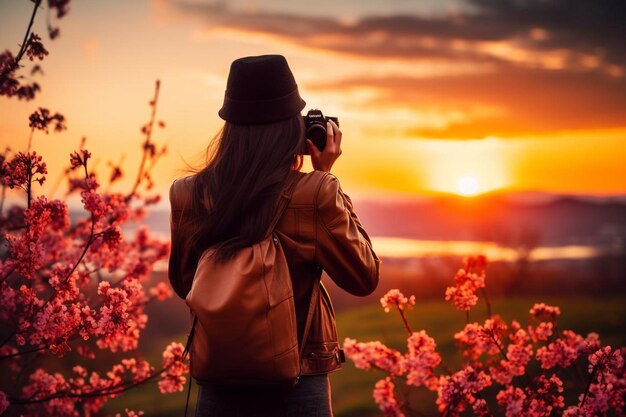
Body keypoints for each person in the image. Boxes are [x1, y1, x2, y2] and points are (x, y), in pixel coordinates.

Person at [168, 54, 380, 417]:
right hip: (297, 382)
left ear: (231, 126)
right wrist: (327, 176)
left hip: (219, 379)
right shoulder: (315, 192)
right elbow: (364, 276)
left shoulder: (188, 193)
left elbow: (186, 282)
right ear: (291, 127)